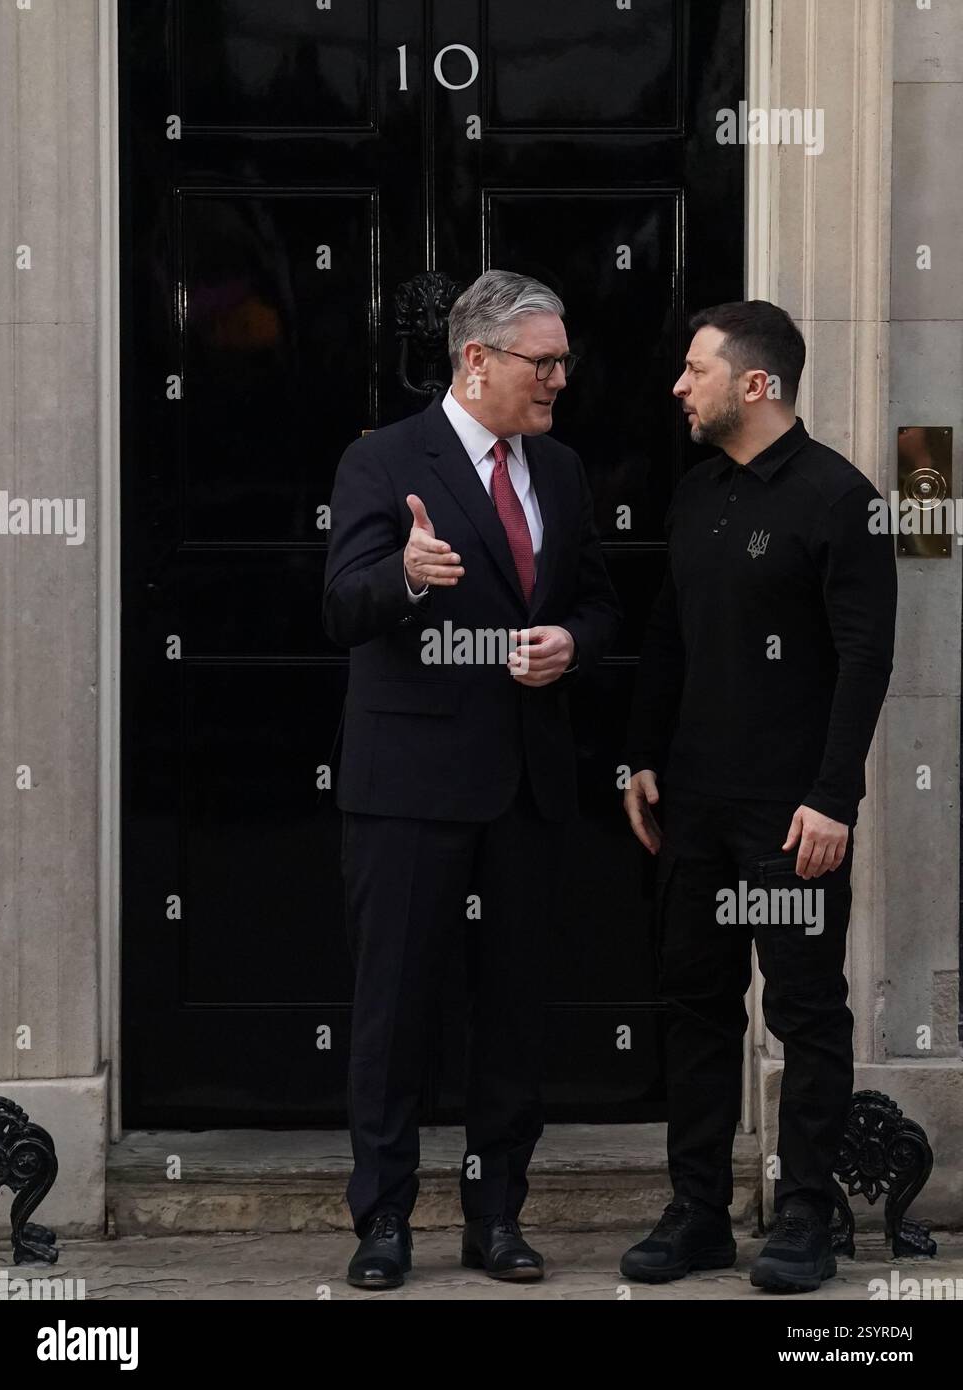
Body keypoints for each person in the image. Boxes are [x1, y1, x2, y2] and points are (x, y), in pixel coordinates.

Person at [324, 269, 621, 1289]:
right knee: (393, 1010)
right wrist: (406, 575)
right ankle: (384, 1220)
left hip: (526, 792)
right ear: (476, 360)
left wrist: (568, 644)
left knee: (512, 1015)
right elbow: (342, 607)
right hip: (409, 786)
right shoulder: (380, 460)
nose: (558, 379)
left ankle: (496, 1218)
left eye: (563, 361)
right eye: (543, 362)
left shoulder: (566, 471)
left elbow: (598, 602)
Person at [620, 300, 897, 1293]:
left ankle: (805, 1219)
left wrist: (833, 797)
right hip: (691, 804)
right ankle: (696, 1212)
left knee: (805, 1010)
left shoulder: (842, 499)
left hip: (790, 818)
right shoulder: (697, 495)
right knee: (694, 1005)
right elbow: (666, 632)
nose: (677, 386)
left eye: (694, 369)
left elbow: (866, 658)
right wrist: (640, 754)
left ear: (753, 385)